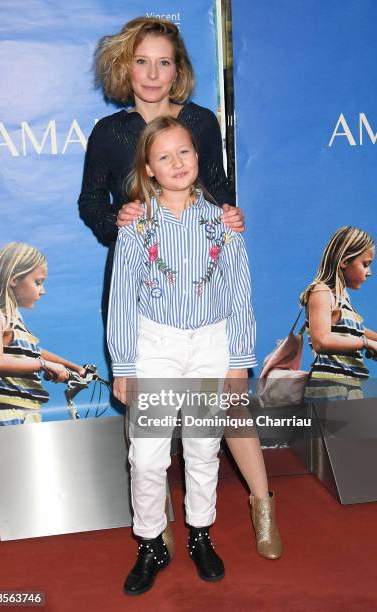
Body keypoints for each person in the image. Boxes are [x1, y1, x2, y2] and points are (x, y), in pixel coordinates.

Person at [107, 116, 280, 596]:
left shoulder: (224, 222)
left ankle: (201, 534)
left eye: (184, 152)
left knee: (203, 448)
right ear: (149, 167)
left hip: (211, 345)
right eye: (164, 157)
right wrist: (124, 365)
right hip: (155, 347)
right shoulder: (135, 226)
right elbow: (122, 298)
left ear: (198, 157)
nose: (177, 163)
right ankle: (150, 543)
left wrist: (237, 359)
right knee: (146, 457)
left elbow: (238, 296)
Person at [78, 17, 244, 333]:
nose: (153, 74)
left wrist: (228, 215)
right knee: (139, 378)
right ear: (127, 68)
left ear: (177, 70)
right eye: (142, 61)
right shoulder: (108, 133)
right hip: (136, 279)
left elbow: (218, 186)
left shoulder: (202, 123)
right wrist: (116, 220)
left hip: (201, 278)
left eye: (163, 62)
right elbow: (91, 200)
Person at [0, 243, 85, 427]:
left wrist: (75, 368)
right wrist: (44, 365)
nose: (43, 290)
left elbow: (33, 352)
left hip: (26, 413)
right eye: (38, 282)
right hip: (4, 415)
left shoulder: (13, 318)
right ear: (14, 279)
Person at [301, 226, 377, 402]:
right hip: (329, 392)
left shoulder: (342, 300)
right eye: (365, 264)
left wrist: (370, 341)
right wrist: (365, 344)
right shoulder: (321, 292)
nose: (369, 272)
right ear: (344, 261)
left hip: (347, 390)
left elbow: (359, 332)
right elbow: (321, 341)